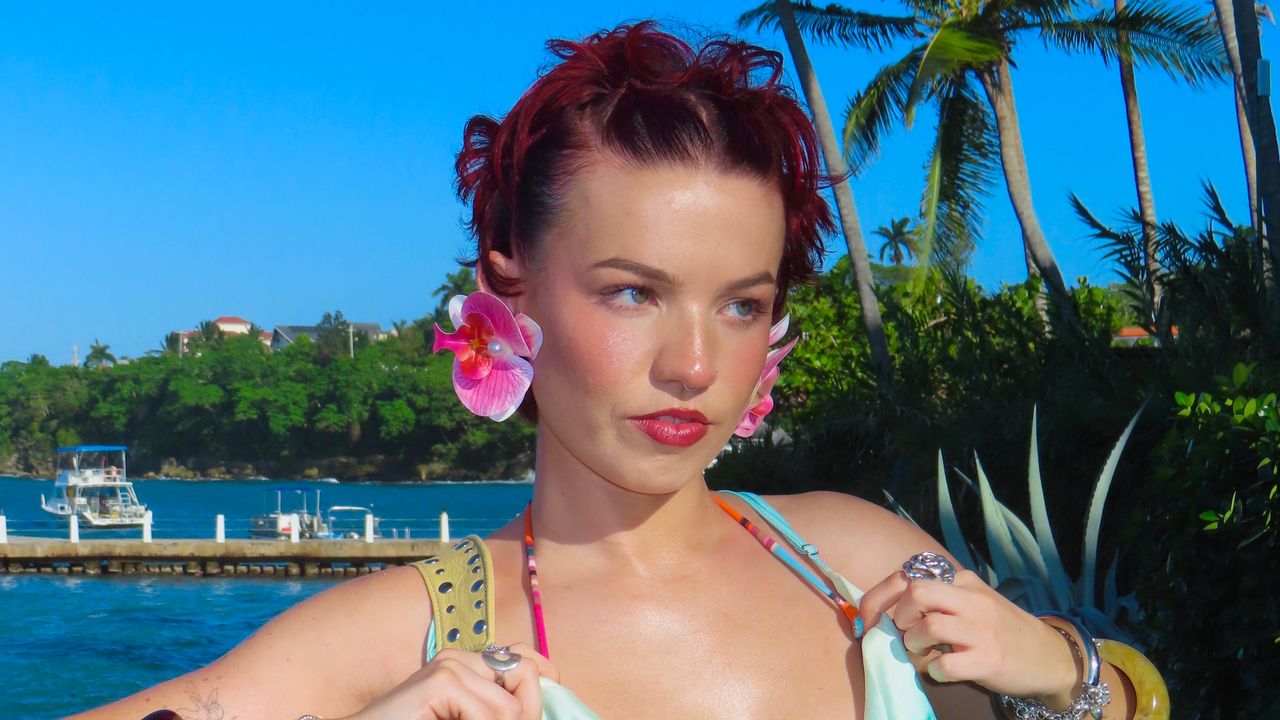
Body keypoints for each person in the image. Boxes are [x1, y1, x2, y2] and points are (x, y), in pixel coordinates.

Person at [71, 22, 1162, 720]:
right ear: (512, 286)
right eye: (633, 292)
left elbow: (1127, 700)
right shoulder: (410, 633)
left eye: (741, 305)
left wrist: (1061, 671)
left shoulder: (852, 562)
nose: (694, 364)